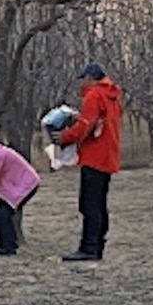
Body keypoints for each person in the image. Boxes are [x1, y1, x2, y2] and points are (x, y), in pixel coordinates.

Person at [60, 62, 122, 261]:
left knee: (89, 204)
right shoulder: (111, 96)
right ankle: (98, 245)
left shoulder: (94, 95)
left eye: (84, 78)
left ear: (90, 77)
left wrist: (64, 137)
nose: (82, 83)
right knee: (99, 203)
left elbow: (86, 125)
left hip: (94, 156)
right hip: (108, 156)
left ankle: (89, 247)